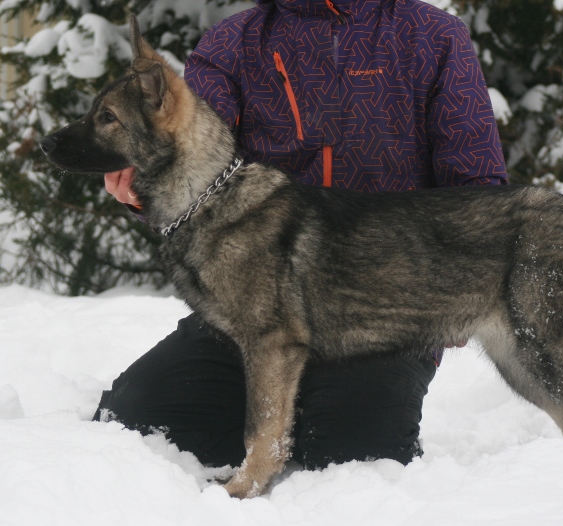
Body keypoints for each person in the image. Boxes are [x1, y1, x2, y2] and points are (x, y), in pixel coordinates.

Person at [95, 0, 507, 471]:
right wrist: (142, 185)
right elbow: (190, 160)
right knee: (128, 427)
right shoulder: (232, 43)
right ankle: (275, 418)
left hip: (383, 312)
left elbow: (476, 189)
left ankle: (318, 419)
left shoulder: (432, 35)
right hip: (252, 310)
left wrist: (458, 287)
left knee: (351, 464)